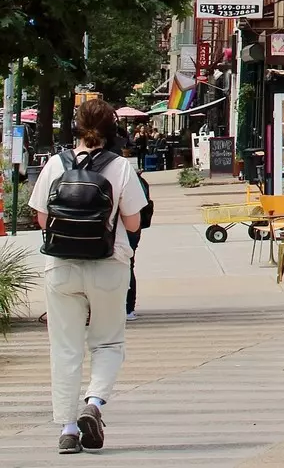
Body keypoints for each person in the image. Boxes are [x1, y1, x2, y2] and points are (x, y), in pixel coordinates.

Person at [32, 98, 147, 455]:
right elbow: (133, 222)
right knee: (108, 342)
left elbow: (40, 219)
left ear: (76, 127)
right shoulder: (122, 168)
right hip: (108, 265)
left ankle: (67, 429)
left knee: (65, 349)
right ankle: (93, 403)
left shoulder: (55, 164)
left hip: (62, 267)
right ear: (112, 129)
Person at [115, 134, 151, 321]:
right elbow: (136, 217)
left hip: (116, 231)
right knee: (128, 265)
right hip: (130, 229)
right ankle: (128, 307)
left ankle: (124, 307)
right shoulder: (125, 170)